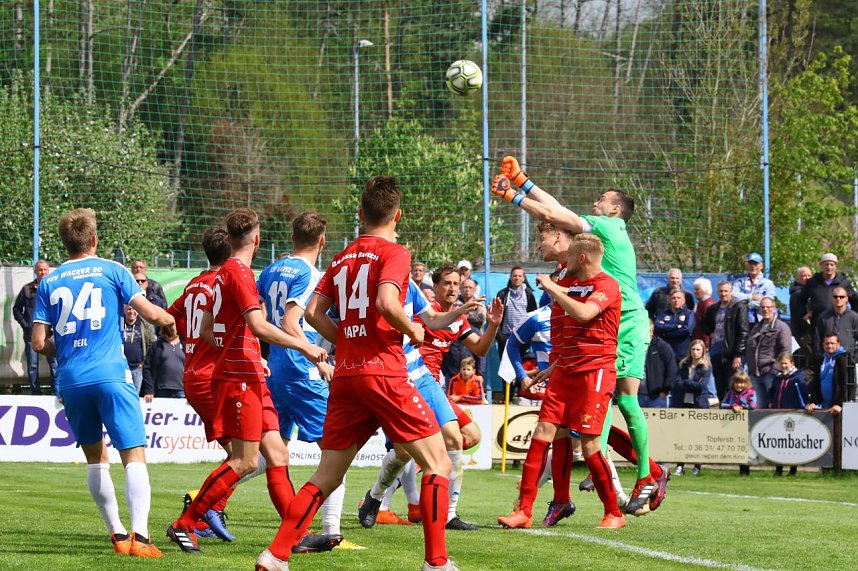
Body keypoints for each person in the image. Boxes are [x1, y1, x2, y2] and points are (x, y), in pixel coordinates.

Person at [256, 176, 456, 571]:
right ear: (398, 215)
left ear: (361, 214)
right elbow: (386, 302)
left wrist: (346, 339)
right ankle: (436, 562)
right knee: (439, 463)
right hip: (384, 372)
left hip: (346, 376)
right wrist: (412, 328)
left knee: (326, 474)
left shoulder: (343, 257)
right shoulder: (395, 252)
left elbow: (314, 313)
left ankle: (275, 554)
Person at [492, 158, 669, 517]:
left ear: (615, 208)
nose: (595, 203)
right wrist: (524, 181)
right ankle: (584, 482)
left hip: (627, 320)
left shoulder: (609, 228)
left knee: (624, 398)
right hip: (613, 326)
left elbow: (560, 216)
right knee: (585, 416)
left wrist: (513, 195)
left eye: (602, 199)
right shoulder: (578, 261)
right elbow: (558, 211)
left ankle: (646, 474)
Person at [167, 208, 329, 556]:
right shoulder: (239, 273)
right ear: (256, 238)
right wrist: (304, 344)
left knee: (277, 452)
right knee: (245, 461)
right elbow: (257, 326)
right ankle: (186, 522)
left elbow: (208, 330)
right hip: (239, 378)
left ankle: (295, 534)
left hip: (248, 372)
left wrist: (247, 353)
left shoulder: (224, 273)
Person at [31, 207, 174, 557]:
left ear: (66, 244)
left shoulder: (49, 280)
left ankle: (117, 533)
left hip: (72, 380)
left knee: (96, 458)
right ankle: (140, 539)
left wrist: (63, 345)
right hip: (111, 374)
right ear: (94, 239)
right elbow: (152, 314)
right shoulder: (113, 270)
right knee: (134, 455)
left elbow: (38, 342)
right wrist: (172, 321)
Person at [498, 234, 626, 529]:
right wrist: (554, 365)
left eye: (569, 257)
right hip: (565, 372)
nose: (564, 262)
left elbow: (583, 314)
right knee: (542, 433)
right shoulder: (568, 284)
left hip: (594, 374)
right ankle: (524, 512)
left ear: (581, 258)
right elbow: (568, 334)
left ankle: (614, 513)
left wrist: (554, 288)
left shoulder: (606, 285)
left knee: (591, 445)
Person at [255, 211, 350, 550]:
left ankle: (208, 501)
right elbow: (293, 321)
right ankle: (333, 530)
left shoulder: (269, 270)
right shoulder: (311, 274)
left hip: (278, 366)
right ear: (322, 241)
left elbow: (259, 318)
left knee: (271, 452)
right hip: (300, 369)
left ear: (292, 237)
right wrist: (313, 353)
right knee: (336, 454)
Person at [166, 227, 243, 542]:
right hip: (213, 378)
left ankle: (202, 506)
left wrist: (190, 339)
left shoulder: (194, 284)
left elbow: (171, 316)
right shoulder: (222, 284)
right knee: (252, 456)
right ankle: (201, 510)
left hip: (194, 376)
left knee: (242, 455)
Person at [414, 261, 503, 530]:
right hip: (413, 384)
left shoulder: (458, 320)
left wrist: (494, 325)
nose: (453, 288)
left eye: (456, 283)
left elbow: (481, 349)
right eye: (447, 284)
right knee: (415, 448)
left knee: (472, 435)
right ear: (436, 286)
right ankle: (446, 513)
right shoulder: (424, 313)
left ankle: (378, 496)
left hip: (433, 388)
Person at [13, 259, 58, 394]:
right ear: (35, 272)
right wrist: (26, 325)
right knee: (32, 366)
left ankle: (56, 393)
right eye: (40, 270)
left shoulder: (55, 288)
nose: (43, 272)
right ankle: (36, 393)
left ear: (49, 271)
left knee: (55, 365)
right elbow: (16, 309)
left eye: (45, 269)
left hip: (50, 334)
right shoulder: (27, 289)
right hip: (31, 335)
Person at [670, 339, 714, 476]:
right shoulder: (683, 364)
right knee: (682, 436)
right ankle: (680, 466)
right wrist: (690, 384)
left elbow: (701, 386)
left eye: (698, 350)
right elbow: (677, 383)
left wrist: (686, 383)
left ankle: (697, 466)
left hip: (699, 404)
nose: (695, 352)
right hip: (683, 403)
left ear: (703, 352)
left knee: (698, 437)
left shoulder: (706, 367)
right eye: (693, 349)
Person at [702, 281, 749, 400]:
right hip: (716, 352)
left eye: (726, 291)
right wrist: (710, 332)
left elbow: (743, 331)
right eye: (721, 291)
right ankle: (723, 409)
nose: (723, 294)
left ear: (730, 291)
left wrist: (738, 354)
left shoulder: (739, 307)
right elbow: (704, 324)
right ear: (717, 292)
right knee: (719, 385)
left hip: (732, 353)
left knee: (732, 385)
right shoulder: (713, 308)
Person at [745, 297, 792, 409]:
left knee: (772, 409)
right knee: (758, 410)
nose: (765, 309)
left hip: (771, 375)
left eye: (768, 307)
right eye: (763, 307)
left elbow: (785, 351)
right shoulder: (756, 327)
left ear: (774, 309)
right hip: (755, 375)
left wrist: (774, 370)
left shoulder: (782, 327)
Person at [797, 253, 858, 335]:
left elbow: (855, 301)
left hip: (839, 325)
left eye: (832, 264)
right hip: (817, 325)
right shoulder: (813, 282)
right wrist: (804, 314)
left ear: (835, 266)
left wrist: (850, 317)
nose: (829, 267)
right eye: (826, 264)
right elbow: (801, 299)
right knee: (818, 347)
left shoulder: (844, 283)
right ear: (821, 265)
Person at [441, 277, 487, 381]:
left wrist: (461, 314)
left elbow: (481, 320)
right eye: (465, 287)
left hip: (471, 341)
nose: (467, 289)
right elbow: (447, 316)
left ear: (475, 289)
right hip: (454, 343)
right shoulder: (453, 302)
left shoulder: (479, 304)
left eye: (470, 287)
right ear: (460, 289)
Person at [770, 352, 809, 477]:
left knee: (792, 444)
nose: (783, 366)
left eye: (785, 363)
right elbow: (772, 392)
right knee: (778, 442)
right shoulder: (777, 378)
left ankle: (793, 470)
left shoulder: (798, 378)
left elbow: (803, 394)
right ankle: (778, 469)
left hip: (793, 414)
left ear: (792, 363)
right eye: (781, 363)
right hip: (778, 414)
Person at [806, 331, 853, 417]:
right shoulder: (820, 360)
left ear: (838, 344)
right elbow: (816, 383)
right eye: (827, 343)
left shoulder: (845, 359)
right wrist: (813, 402)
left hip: (839, 409)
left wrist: (841, 404)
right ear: (823, 344)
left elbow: (848, 385)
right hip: (824, 407)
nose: (829, 346)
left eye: (832, 343)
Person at [495, 266, 537, 358]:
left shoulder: (529, 295)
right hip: (505, 337)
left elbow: (533, 316)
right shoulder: (502, 294)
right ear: (510, 277)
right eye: (514, 276)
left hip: (523, 337)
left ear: (523, 278)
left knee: (521, 366)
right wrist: (499, 336)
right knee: (505, 367)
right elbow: (496, 314)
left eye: (519, 276)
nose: (517, 278)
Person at [720, 370, 757, 475]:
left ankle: (747, 470)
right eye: (737, 382)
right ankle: (741, 470)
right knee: (738, 447)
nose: (739, 385)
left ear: (746, 383)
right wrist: (733, 407)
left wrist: (741, 407)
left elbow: (753, 405)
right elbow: (723, 404)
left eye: (741, 383)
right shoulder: (730, 393)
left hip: (748, 424)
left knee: (747, 447)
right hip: (734, 425)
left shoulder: (751, 392)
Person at [813, 286, 858, 365]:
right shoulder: (823, 317)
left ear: (846, 299)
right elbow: (818, 339)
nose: (838, 299)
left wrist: (854, 359)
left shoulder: (854, 317)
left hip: (847, 362)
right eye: (835, 296)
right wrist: (820, 358)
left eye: (841, 297)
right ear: (832, 298)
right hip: (827, 362)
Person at [120, 304, 156, 395]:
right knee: (123, 394)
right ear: (124, 311)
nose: (131, 312)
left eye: (133, 309)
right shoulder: (119, 322)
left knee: (135, 395)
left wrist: (144, 362)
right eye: (129, 309)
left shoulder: (143, 324)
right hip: (121, 367)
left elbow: (151, 344)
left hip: (137, 368)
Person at [640, 319, 676, 408]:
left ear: (652, 330)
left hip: (657, 397)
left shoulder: (662, 347)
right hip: (637, 396)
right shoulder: (634, 347)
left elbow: (671, 369)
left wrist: (665, 390)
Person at [140, 329, 185, 401]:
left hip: (182, 391)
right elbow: (147, 369)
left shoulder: (186, 346)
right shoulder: (156, 346)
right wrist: (149, 390)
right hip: (161, 390)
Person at [732, 252, 776, 324]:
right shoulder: (739, 282)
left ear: (761, 266)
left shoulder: (768, 284)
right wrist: (750, 297)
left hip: (760, 321)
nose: (753, 266)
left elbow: (767, 303)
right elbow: (733, 296)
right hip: (740, 321)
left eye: (755, 264)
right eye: (751, 263)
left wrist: (744, 304)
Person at [654, 290, 695, 364]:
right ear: (669, 300)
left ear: (684, 300)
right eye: (673, 298)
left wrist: (665, 333)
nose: (676, 300)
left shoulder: (689, 313)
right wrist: (676, 326)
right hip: (666, 351)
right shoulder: (662, 314)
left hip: (683, 352)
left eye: (679, 298)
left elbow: (687, 329)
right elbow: (657, 326)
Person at [789, 266, 814, 365]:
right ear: (797, 278)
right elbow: (802, 316)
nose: (807, 278)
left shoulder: (809, 292)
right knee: (814, 360)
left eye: (809, 275)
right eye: (804, 276)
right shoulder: (798, 294)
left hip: (806, 333)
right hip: (804, 333)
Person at [692, 277, 716, 346]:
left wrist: (706, 344)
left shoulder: (708, 305)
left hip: (704, 344)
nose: (695, 292)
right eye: (694, 289)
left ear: (705, 290)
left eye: (697, 289)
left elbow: (708, 327)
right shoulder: (701, 303)